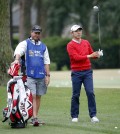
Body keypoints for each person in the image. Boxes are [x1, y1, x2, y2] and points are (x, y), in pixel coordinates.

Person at [11, 25, 50, 126]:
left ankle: (34, 117)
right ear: (31, 32)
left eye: (38, 33)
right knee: (31, 96)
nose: (37, 35)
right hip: (29, 75)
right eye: (35, 33)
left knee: (38, 96)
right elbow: (19, 51)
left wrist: (48, 75)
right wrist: (16, 59)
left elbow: (46, 62)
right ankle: (32, 117)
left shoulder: (43, 46)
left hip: (41, 75)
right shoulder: (25, 43)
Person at [67, 24, 103, 123]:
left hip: (87, 72)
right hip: (76, 73)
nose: (79, 32)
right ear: (72, 33)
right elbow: (76, 58)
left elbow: (92, 54)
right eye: (76, 31)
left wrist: (97, 54)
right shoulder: (70, 45)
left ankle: (93, 115)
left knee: (90, 93)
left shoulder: (86, 42)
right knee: (76, 94)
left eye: (80, 30)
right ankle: (74, 116)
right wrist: (90, 55)